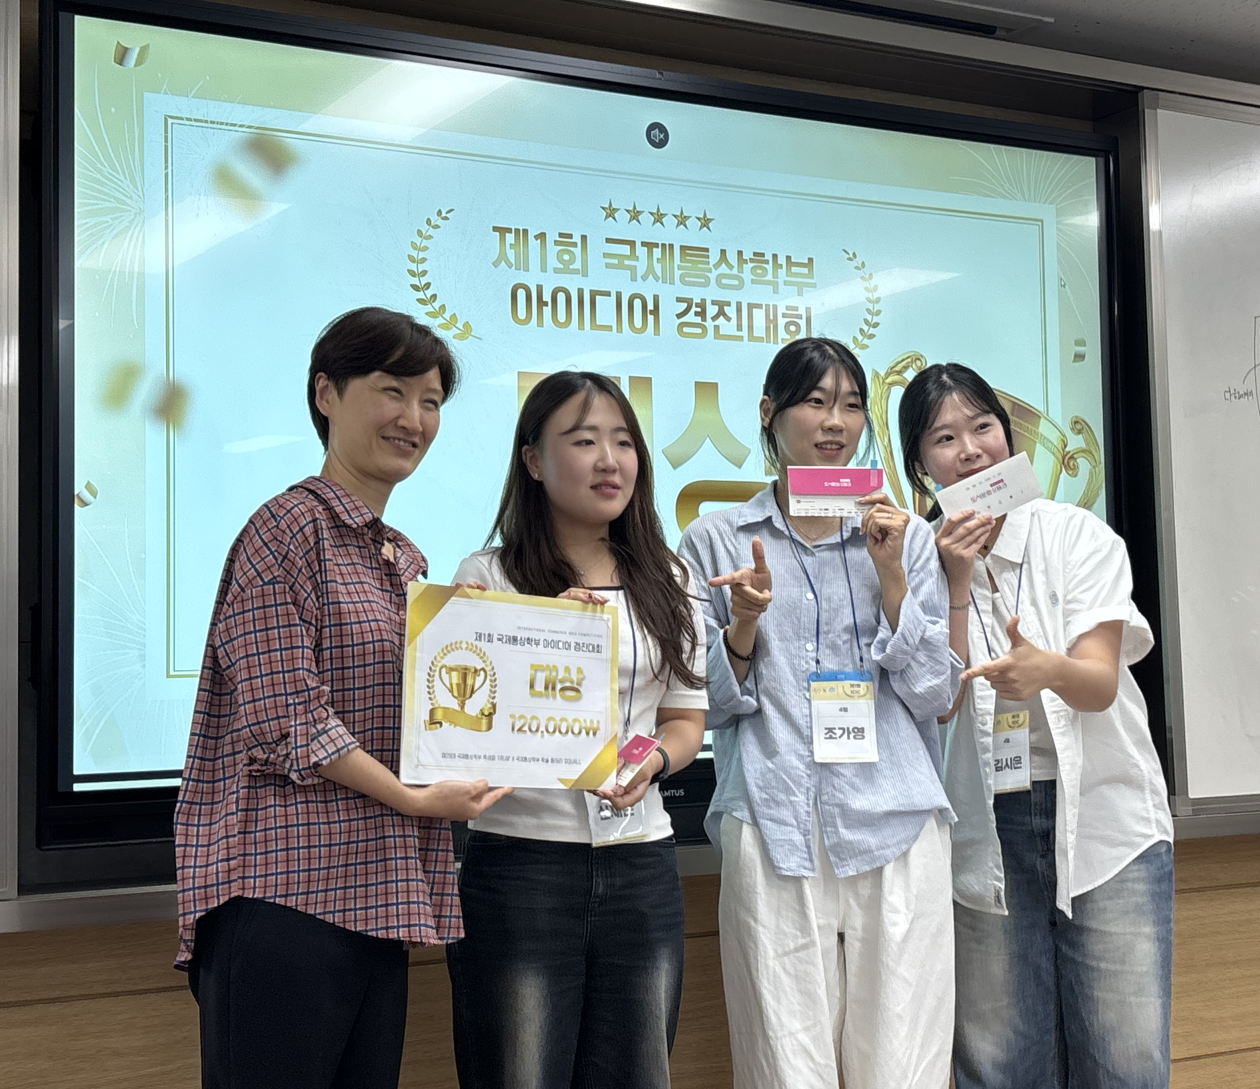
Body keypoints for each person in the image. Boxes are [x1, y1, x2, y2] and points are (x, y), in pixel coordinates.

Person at [174, 307, 511, 1089]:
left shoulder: (404, 561)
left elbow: (431, 713)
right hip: (283, 899)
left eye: (431, 401)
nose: (413, 418)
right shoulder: (286, 529)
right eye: (393, 390)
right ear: (326, 392)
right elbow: (288, 718)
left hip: (375, 899)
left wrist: (538, 631)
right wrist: (416, 799)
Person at [677, 337, 959, 1089]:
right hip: (774, 821)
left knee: (904, 1066)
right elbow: (702, 706)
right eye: (815, 401)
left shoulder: (905, 536)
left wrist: (892, 577)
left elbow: (935, 695)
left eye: (852, 405)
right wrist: (742, 627)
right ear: (769, 413)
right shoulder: (715, 540)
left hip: (895, 820)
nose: (836, 421)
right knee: (783, 1064)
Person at [897, 362, 1173, 1089]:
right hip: (988, 822)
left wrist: (1045, 669)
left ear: (1009, 435)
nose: (970, 449)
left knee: (1124, 1059)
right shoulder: (916, 560)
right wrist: (955, 581)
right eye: (944, 438)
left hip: (1107, 820)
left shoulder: (1077, 535)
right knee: (1001, 1060)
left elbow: (1098, 683)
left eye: (983, 426)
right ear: (920, 465)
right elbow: (938, 702)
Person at [445, 370, 708, 1089]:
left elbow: (683, 720)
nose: (609, 460)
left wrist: (650, 761)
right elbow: (460, 725)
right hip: (522, 865)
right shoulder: (490, 575)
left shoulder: (671, 577)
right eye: (584, 440)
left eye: (623, 441)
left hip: (642, 865)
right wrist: (540, 634)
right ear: (533, 460)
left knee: (637, 1072)